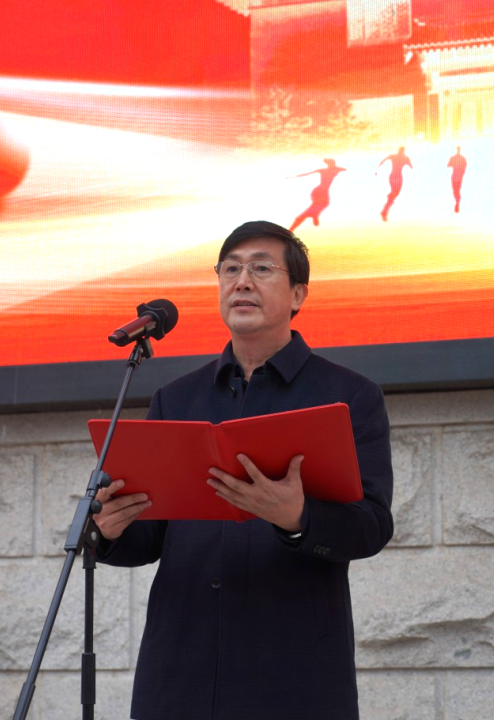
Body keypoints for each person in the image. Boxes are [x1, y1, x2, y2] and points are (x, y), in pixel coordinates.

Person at [94, 220, 394, 720]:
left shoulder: (348, 396)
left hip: (292, 674)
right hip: (180, 670)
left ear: (298, 294)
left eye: (261, 269)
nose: (242, 282)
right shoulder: (177, 399)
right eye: (230, 270)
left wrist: (297, 517)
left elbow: (372, 526)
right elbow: (149, 535)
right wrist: (110, 530)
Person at [288, 158, 346, 231]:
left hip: (320, 191)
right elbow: (306, 174)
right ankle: (314, 214)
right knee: (322, 204)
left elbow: (344, 169)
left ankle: (314, 214)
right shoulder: (332, 169)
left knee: (322, 204)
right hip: (319, 191)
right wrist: (292, 176)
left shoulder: (331, 169)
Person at [376, 146, 412, 221]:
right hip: (398, 176)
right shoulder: (405, 158)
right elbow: (411, 167)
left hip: (392, 176)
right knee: (395, 193)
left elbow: (383, 161)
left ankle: (385, 210)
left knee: (394, 193)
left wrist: (377, 169)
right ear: (403, 151)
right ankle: (384, 211)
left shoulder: (393, 156)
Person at [447, 145, 467, 213]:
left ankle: (457, 202)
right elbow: (465, 167)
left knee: (455, 190)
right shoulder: (463, 158)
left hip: (454, 176)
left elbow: (448, 165)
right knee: (457, 190)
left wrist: (454, 165)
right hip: (459, 177)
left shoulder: (453, 158)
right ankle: (457, 202)